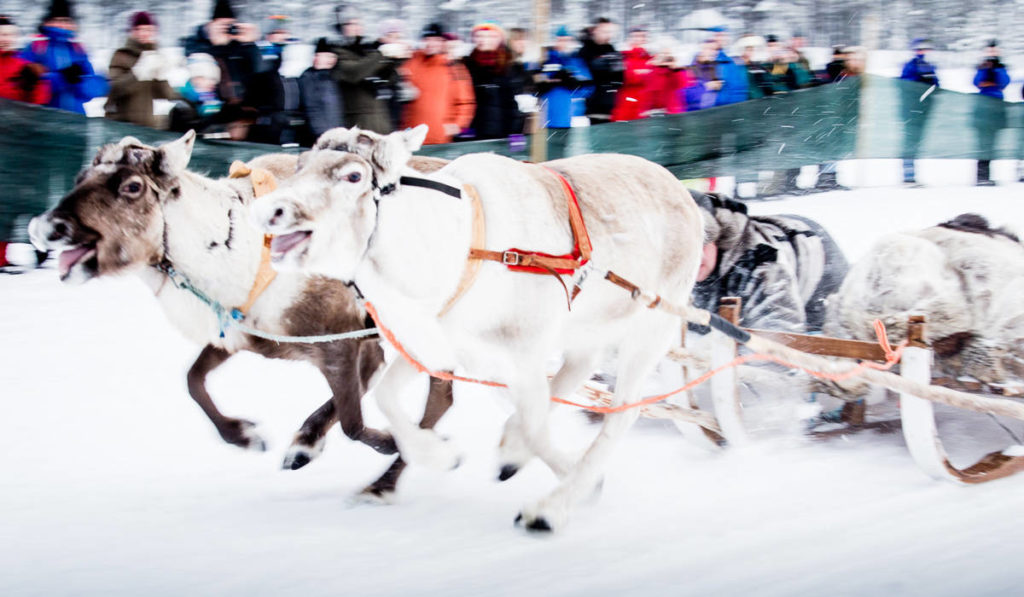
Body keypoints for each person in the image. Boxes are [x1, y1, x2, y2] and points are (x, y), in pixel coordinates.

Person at [690, 191, 848, 334]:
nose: (696, 257)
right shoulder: (672, 273)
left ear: (718, 238)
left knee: (830, 339)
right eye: (687, 248)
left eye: (703, 244)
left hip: (820, 265)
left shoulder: (757, 263)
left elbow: (781, 339)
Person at [18, 0, 107, 115]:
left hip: (76, 119)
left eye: (66, 21)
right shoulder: (35, 46)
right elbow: (26, 86)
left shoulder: (78, 49)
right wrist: (62, 78)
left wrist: (84, 81)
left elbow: (92, 92)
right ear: (47, 22)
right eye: (57, 20)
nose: (62, 25)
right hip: (43, 119)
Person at [400, 23, 475, 144]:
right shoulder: (411, 62)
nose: (431, 44)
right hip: (411, 135)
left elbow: (466, 102)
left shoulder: (455, 68)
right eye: (427, 39)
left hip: (439, 137)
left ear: (443, 42)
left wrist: (457, 124)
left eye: (436, 40)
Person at [104, 12, 177, 128]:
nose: (143, 33)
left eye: (148, 29)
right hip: (121, 124)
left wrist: (161, 77)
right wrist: (137, 72)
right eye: (139, 29)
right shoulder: (121, 55)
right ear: (132, 31)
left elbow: (166, 96)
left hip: (146, 126)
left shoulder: (155, 56)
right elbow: (115, 89)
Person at [183, 0, 262, 106]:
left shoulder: (240, 45)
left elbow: (259, 70)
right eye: (223, 25)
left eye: (230, 25)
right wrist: (211, 39)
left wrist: (250, 44)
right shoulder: (197, 41)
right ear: (211, 24)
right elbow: (193, 58)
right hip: (208, 105)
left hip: (240, 105)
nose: (227, 29)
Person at [330, 16, 401, 134]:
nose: (356, 28)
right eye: (350, 24)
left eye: (358, 24)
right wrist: (382, 54)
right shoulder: (337, 52)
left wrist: (394, 61)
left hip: (381, 118)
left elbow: (389, 79)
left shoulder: (368, 50)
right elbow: (355, 73)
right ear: (341, 28)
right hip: (357, 122)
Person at [462, 21, 526, 139]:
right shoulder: (466, 65)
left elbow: (517, 106)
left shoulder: (510, 66)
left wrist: (516, 136)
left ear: (499, 39)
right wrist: (465, 131)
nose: (484, 40)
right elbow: (463, 101)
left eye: (490, 36)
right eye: (479, 36)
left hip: (502, 135)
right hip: (474, 134)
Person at [899, 38, 939, 185]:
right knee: (909, 141)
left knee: (917, 142)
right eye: (919, 49)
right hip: (910, 110)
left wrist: (931, 81)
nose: (922, 52)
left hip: (923, 109)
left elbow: (936, 86)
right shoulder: (910, 65)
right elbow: (904, 84)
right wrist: (919, 79)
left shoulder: (929, 66)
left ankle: (911, 174)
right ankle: (909, 175)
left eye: (924, 49)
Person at [535, 26, 593, 128]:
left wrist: (575, 85)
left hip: (573, 117)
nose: (563, 43)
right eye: (560, 40)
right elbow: (535, 86)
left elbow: (588, 88)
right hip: (548, 117)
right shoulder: (545, 61)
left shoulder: (577, 62)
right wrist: (549, 82)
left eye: (567, 40)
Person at [973, 40, 1009, 186]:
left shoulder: (1002, 67)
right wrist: (986, 71)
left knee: (993, 144)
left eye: (995, 51)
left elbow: (1003, 83)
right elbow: (978, 83)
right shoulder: (981, 67)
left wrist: (996, 71)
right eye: (990, 50)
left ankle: (986, 175)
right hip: (983, 110)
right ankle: (981, 176)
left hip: (997, 110)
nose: (992, 54)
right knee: (983, 143)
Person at [578, 17, 623, 124]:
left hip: (610, 105)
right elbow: (582, 78)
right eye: (604, 31)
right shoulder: (586, 50)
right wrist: (598, 66)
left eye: (610, 32)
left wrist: (617, 69)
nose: (608, 35)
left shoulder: (611, 49)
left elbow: (619, 80)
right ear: (595, 31)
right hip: (593, 106)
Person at [299, 37, 344, 143]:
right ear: (316, 57)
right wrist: (323, 134)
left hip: (336, 133)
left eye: (333, 57)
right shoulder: (309, 78)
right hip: (322, 135)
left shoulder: (334, 76)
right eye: (327, 56)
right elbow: (312, 108)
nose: (331, 60)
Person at [168, 53, 224, 134]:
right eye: (205, 78)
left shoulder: (217, 103)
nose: (212, 83)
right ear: (194, 79)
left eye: (213, 79)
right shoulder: (182, 106)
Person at [0, 15, 49, 105]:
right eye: (2, 35)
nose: (6, 39)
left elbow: (40, 101)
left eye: (11, 35)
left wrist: (32, 86)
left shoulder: (23, 65)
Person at [611, 26, 654, 121]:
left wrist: (638, 73)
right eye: (635, 36)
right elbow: (627, 78)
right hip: (626, 107)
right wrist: (645, 73)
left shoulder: (651, 58)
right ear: (629, 39)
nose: (639, 39)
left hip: (645, 106)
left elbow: (654, 80)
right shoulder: (622, 56)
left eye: (642, 36)